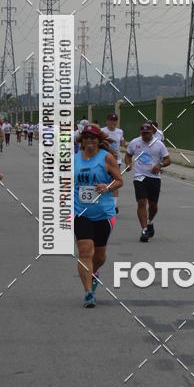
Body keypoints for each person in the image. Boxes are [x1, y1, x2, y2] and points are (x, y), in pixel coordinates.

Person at [74, 124, 123, 308]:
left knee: (100, 256)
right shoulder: (74, 159)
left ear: (98, 140)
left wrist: (107, 187)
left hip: (103, 213)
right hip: (81, 212)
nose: (89, 140)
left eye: (93, 138)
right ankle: (88, 293)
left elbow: (119, 180)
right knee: (85, 251)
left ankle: (93, 273)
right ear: (82, 140)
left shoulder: (106, 158)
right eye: (86, 137)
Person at [124, 122, 171, 242]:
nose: (145, 135)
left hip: (154, 178)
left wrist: (160, 165)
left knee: (153, 205)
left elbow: (168, 159)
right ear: (140, 132)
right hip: (139, 176)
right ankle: (144, 230)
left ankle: (150, 222)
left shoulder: (159, 144)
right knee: (141, 202)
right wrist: (128, 164)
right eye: (143, 133)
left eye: (148, 133)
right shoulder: (134, 142)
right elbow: (128, 155)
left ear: (152, 132)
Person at [101, 112, 126, 214]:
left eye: (115, 120)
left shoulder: (120, 131)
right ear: (107, 121)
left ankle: (114, 206)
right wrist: (109, 149)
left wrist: (127, 145)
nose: (113, 122)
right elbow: (99, 144)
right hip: (104, 159)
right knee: (104, 180)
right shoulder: (102, 131)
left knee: (115, 181)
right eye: (111, 120)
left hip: (116, 160)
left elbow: (122, 143)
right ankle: (103, 202)